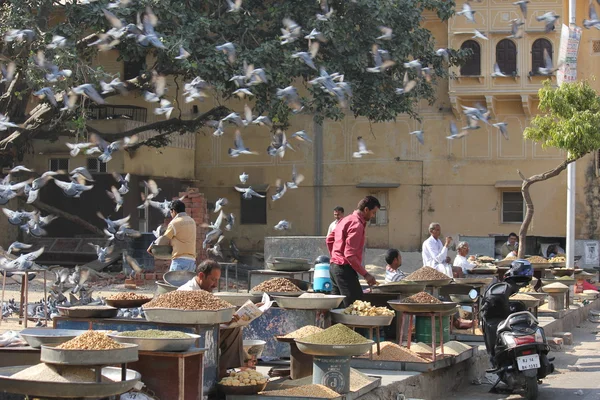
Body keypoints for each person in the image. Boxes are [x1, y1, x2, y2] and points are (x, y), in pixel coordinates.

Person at [178, 260, 244, 378]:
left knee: (234, 329)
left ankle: (224, 371)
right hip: (192, 334)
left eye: (217, 280)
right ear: (201, 276)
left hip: (204, 329)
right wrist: (220, 319)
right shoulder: (188, 292)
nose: (215, 285)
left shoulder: (204, 289)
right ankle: (221, 373)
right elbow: (194, 318)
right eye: (213, 280)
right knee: (230, 330)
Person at [326, 196, 380, 307]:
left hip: (334, 269)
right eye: (373, 212)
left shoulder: (345, 219)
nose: (373, 216)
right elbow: (350, 255)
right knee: (356, 307)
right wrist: (366, 274)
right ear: (366, 210)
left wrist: (334, 257)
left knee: (337, 308)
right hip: (344, 270)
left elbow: (329, 240)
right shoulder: (357, 225)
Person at [148, 199, 197, 272]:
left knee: (173, 283)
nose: (171, 215)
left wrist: (152, 246)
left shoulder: (174, 223)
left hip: (179, 261)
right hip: (191, 261)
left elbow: (164, 240)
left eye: (171, 212)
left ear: (173, 211)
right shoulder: (192, 221)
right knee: (186, 283)